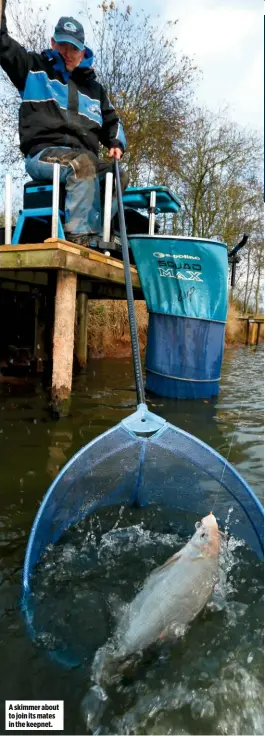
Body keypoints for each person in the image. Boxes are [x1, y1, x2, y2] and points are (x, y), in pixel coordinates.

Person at [0, 3, 127, 246]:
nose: (68, 52)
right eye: (63, 45)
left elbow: (113, 121)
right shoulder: (32, 68)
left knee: (116, 174)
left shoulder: (95, 90)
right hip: (43, 155)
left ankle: (101, 233)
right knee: (82, 163)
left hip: (83, 159)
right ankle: (79, 236)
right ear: (52, 42)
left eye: (74, 48)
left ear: (83, 51)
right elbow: (3, 45)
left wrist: (116, 142)